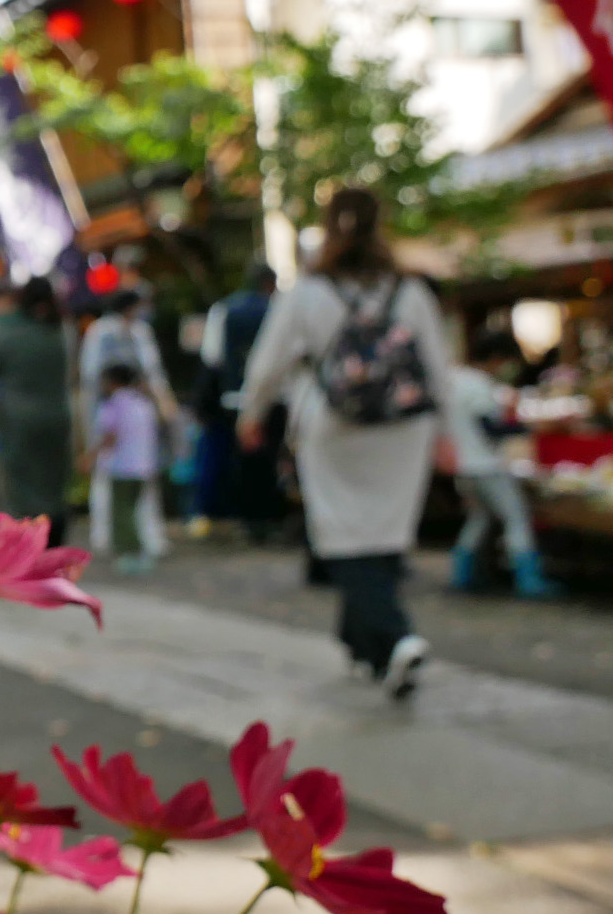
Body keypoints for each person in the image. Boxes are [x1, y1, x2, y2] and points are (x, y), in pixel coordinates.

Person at [239, 186, 457, 700]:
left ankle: (395, 635)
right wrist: (448, 434)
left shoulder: (309, 291)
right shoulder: (410, 291)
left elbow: (267, 364)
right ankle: (364, 645)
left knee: (343, 536)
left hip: (333, 424)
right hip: (404, 428)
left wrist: (250, 415)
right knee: (382, 532)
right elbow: (439, 368)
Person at [447, 328, 560, 598]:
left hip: (463, 465)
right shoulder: (478, 386)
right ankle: (528, 579)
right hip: (484, 465)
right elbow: (491, 429)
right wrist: (532, 427)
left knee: (480, 518)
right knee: (517, 517)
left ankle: (462, 573)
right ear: (497, 358)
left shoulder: (457, 381)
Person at [0, 276, 73, 539]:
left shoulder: (6, 328)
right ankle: (55, 544)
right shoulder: (61, 328)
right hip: (57, 416)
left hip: (19, 419)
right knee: (54, 485)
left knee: (21, 488)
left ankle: (27, 548)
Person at [78, 287, 176, 557]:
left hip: (137, 415)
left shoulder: (140, 332)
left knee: (143, 476)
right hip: (109, 412)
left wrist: (160, 400)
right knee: (108, 476)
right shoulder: (102, 332)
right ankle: (109, 533)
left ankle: (147, 533)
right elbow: (91, 374)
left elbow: (153, 371)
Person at [195, 264, 284, 540]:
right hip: (276, 396)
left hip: (236, 395)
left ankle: (246, 520)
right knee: (269, 462)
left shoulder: (225, 310)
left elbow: (213, 357)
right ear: (271, 284)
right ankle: (268, 520)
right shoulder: (279, 310)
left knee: (242, 462)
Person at [82, 364, 159, 574]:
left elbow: (110, 437)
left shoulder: (114, 404)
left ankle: (131, 552)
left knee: (122, 513)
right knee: (133, 511)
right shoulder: (142, 403)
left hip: (123, 467)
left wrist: (89, 458)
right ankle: (136, 552)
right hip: (143, 466)